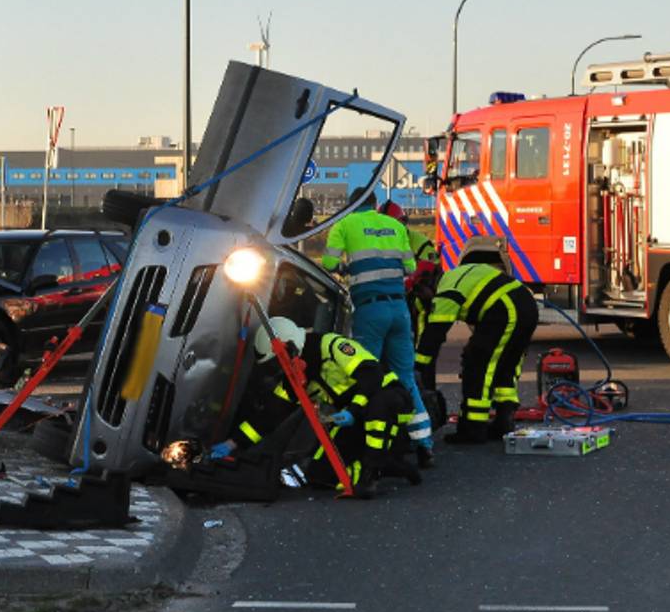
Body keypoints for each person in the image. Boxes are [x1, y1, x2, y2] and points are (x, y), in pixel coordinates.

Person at [211, 318, 421, 497]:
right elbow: (270, 416)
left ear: (290, 348)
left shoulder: (331, 345)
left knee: (379, 405)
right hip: (355, 416)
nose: (277, 369)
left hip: (391, 402)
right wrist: (232, 444)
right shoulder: (295, 379)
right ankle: (390, 465)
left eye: (277, 361)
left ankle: (371, 474)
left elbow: (371, 374)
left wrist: (353, 410)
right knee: (320, 475)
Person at [321, 187, 434, 466]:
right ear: (374, 204)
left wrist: (348, 268)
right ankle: (423, 445)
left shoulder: (344, 225)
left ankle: (364, 442)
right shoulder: (395, 226)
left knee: (366, 375)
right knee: (405, 378)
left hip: (370, 309)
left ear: (351, 206)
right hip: (399, 308)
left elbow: (328, 262)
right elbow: (409, 267)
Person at [409, 262, 539, 444]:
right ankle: (504, 422)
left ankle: (473, 429)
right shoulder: (454, 277)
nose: (420, 298)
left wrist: (416, 369)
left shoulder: (447, 292)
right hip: (525, 306)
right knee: (506, 366)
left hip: (505, 310)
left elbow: (432, 337)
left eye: (418, 292)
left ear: (428, 283)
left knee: (478, 366)